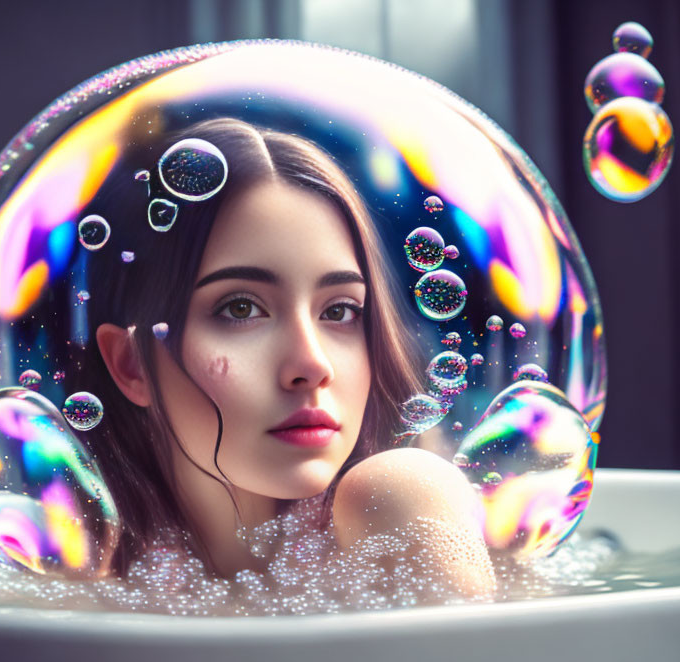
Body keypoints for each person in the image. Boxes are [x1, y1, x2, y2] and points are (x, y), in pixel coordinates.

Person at [79, 117, 494, 598]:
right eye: (241, 309)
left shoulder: (398, 498)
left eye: (340, 311)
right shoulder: (81, 564)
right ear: (131, 365)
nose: (312, 364)